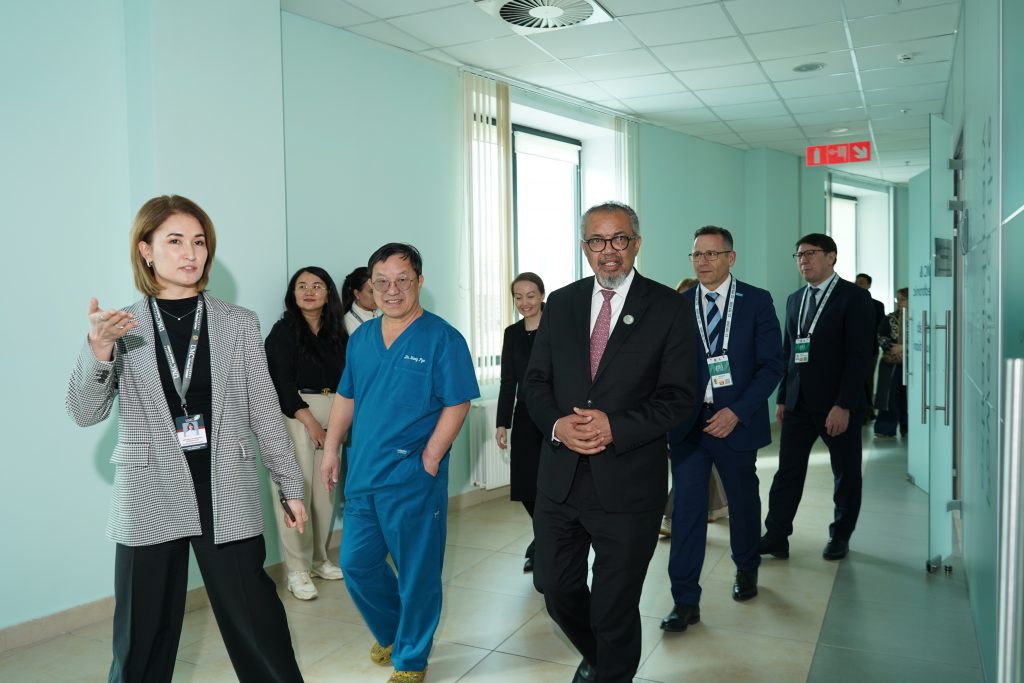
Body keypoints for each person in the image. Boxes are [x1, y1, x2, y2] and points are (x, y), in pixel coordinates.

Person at [66, 195, 307, 682]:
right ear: (146, 250)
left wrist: (291, 485)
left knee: (260, 625)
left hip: (225, 486)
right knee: (141, 637)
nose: (190, 253)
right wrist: (99, 348)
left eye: (198, 242)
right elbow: (85, 413)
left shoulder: (238, 322)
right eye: (174, 241)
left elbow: (264, 410)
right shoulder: (120, 327)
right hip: (149, 491)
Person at [525, 202, 698, 683]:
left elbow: (680, 397)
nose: (609, 251)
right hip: (561, 480)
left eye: (619, 239)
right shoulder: (562, 303)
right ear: (585, 247)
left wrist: (615, 426)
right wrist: (558, 425)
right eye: (597, 241)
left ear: (636, 244)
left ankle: (610, 672)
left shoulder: (669, 308)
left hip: (628, 484)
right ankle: (600, 658)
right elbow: (535, 382)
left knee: (613, 606)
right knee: (554, 588)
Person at [321, 243, 479, 683]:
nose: (392, 290)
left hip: (412, 477)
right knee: (357, 564)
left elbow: (458, 402)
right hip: (364, 474)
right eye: (382, 282)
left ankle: (410, 659)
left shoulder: (442, 338)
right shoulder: (362, 339)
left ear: (419, 282)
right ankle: (394, 632)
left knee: (417, 574)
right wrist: (331, 449)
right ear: (371, 287)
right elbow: (347, 396)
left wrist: (430, 458)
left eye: (402, 280)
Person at [661, 226, 783, 633]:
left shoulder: (756, 301)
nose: (703, 262)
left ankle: (746, 567)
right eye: (697, 255)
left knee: (743, 501)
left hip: (736, 423)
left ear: (730, 258)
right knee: (687, 511)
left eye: (712, 254)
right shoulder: (679, 304)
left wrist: (738, 412)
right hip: (690, 426)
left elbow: (772, 365)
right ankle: (685, 600)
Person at [760, 234, 874, 562]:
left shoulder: (854, 298)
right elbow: (789, 352)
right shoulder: (795, 299)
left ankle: (840, 535)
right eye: (799, 255)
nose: (803, 260)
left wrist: (844, 404)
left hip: (837, 405)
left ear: (831, 257)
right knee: (788, 472)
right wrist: (783, 397)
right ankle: (777, 535)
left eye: (810, 254)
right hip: (798, 404)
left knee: (845, 473)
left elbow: (859, 357)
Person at [265, 266, 349, 601]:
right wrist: (310, 421)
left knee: (325, 491)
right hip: (296, 415)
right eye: (301, 286)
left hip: (335, 412)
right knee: (294, 491)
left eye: (317, 285)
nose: (309, 291)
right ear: (293, 294)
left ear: (328, 294)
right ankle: (296, 571)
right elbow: (280, 383)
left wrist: (340, 421)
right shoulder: (283, 332)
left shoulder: (337, 334)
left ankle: (318, 559)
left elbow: (349, 380)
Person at [662, 277, 728, 538]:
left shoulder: (718, 327)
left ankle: (678, 517)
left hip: (721, 413)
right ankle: (683, 518)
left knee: (708, 471)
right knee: (692, 473)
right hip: (683, 415)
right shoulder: (673, 329)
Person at [496, 272, 546, 573]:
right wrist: (502, 422)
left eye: (530, 295)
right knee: (526, 485)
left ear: (541, 295)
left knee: (549, 484)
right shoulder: (512, 333)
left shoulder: (557, 326)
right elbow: (508, 381)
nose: (524, 302)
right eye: (518, 297)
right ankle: (544, 537)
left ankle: (545, 545)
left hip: (554, 415)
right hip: (525, 415)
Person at [874, 288, 910, 439]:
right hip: (891, 363)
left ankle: (908, 428)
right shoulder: (890, 318)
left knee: (908, 397)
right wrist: (891, 347)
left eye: (902, 299)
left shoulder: (919, 317)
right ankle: (886, 428)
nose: (899, 303)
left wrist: (904, 348)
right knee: (889, 396)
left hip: (913, 364)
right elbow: (881, 336)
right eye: (897, 299)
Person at [855, 273, 886, 422]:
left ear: (869, 285)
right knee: (854, 381)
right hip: (851, 350)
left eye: (861, 282)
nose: (858, 284)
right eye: (856, 282)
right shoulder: (849, 302)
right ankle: (856, 411)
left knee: (867, 381)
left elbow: (880, 328)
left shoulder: (878, 305)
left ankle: (867, 411)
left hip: (870, 350)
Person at [342, 266, 378, 335]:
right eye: (372, 292)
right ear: (357, 294)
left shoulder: (383, 312)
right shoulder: (348, 323)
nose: (377, 296)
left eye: (378, 290)